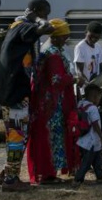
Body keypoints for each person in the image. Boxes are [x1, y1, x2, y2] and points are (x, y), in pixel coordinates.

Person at [0, 0, 54, 192]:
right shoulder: (23, 27)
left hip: (13, 91)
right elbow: (46, 28)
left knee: (18, 133)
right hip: (15, 93)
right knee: (16, 135)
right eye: (45, 13)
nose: (46, 18)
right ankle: (11, 180)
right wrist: (39, 20)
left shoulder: (17, 27)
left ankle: (7, 172)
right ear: (36, 11)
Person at [27, 19, 80, 185]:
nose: (66, 40)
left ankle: (46, 173)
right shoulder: (54, 54)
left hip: (45, 103)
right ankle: (47, 174)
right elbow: (56, 79)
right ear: (56, 37)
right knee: (51, 138)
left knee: (45, 137)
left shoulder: (47, 50)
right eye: (64, 37)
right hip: (51, 106)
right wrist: (75, 78)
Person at [73, 83, 102, 187]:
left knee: (97, 160)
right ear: (94, 96)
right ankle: (78, 179)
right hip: (91, 141)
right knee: (87, 162)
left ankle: (100, 177)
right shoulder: (93, 108)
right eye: (99, 97)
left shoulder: (81, 104)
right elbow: (95, 124)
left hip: (83, 140)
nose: (99, 100)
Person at [74, 21, 102, 85]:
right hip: (86, 87)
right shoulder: (80, 47)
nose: (93, 39)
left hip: (95, 85)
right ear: (86, 32)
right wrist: (88, 85)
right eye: (91, 36)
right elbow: (79, 72)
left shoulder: (98, 46)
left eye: (97, 38)